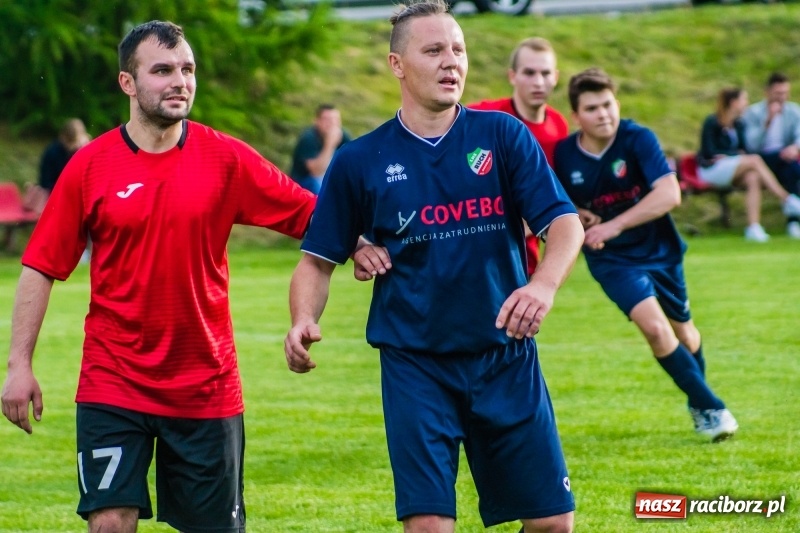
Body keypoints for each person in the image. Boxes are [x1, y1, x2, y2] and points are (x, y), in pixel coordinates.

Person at [1, 20, 317, 533]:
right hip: (113, 380)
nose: (180, 81)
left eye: (188, 69)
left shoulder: (227, 159)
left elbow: (313, 217)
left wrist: (363, 241)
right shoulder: (89, 166)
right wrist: (19, 365)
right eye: (163, 70)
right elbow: (40, 267)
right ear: (128, 83)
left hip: (205, 384)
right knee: (109, 521)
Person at [284, 2, 584, 532]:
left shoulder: (503, 136)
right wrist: (302, 318)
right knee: (428, 527)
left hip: (505, 357)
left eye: (458, 49)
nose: (452, 62)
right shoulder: (360, 159)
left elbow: (564, 224)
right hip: (416, 366)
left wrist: (543, 285)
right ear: (397, 65)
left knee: (553, 523)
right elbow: (316, 261)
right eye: (434, 50)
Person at [553, 68, 742, 443]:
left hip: (660, 250)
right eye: (592, 108)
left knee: (685, 335)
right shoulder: (563, 154)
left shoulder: (637, 138)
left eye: (608, 104)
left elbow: (670, 194)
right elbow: (552, 196)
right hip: (611, 259)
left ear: (617, 103)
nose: (603, 114)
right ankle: (714, 408)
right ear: (576, 117)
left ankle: (698, 402)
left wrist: (613, 224)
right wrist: (576, 211)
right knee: (655, 329)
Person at [469, 37, 568, 275]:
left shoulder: (558, 127)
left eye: (545, 73)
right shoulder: (484, 116)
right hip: (475, 245)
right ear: (512, 76)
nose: (538, 82)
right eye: (529, 73)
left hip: (524, 254)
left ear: (555, 76)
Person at [697, 87, 800, 242]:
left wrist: (730, 155)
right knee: (755, 160)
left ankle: (753, 227)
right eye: (744, 99)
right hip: (712, 170)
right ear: (733, 102)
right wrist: (733, 155)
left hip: (733, 167)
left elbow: (745, 149)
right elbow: (709, 151)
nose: (747, 103)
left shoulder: (739, 124)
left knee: (753, 177)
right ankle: (787, 200)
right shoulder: (712, 122)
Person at [742, 72, 800, 239]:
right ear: (767, 92)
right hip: (761, 157)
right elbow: (751, 144)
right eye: (777, 93)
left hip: (783, 158)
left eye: (784, 93)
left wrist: (794, 148)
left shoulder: (793, 111)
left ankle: (793, 221)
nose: (781, 97)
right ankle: (790, 202)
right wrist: (767, 121)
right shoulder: (753, 113)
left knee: (793, 171)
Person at [289, 103, 351, 194]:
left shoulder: (343, 136)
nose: (332, 124)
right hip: (304, 184)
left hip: (330, 180)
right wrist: (330, 144)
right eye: (327, 120)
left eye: (336, 120)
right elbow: (317, 172)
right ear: (316, 121)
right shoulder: (308, 138)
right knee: (318, 183)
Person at [38, 118, 91, 193]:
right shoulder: (53, 152)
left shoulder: (86, 151)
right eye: (71, 142)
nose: (73, 146)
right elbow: (46, 182)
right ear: (63, 137)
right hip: (55, 192)